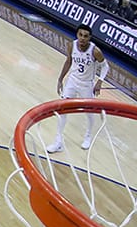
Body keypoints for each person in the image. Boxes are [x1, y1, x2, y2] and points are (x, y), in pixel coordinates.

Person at [47, 24, 109, 152]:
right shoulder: (72, 45)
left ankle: (88, 136)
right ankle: (58, 142)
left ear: (90, 37)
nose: (82, 38)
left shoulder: (95, 51)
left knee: (89, 113)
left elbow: (105, 67)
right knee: (62, 109)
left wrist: (100, 82)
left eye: (86, 36)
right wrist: (60, 79)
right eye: (80, 35)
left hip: (87, 84)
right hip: (72, 81)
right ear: (77, 35)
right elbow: (68, 61)